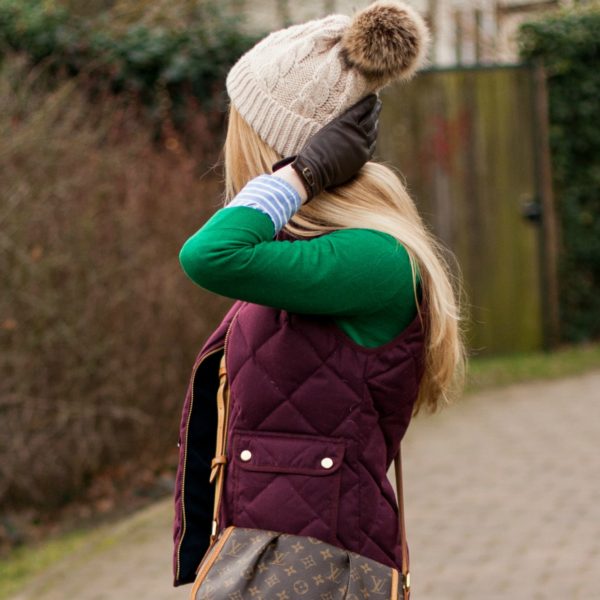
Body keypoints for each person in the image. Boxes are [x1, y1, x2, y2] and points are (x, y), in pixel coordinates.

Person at [172, 0, 466, 590]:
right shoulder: (312, 256)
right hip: (267, 551)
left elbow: (207, 254)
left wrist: (299, 175)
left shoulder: (372, 259)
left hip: (313, 565)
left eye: (239, 124)